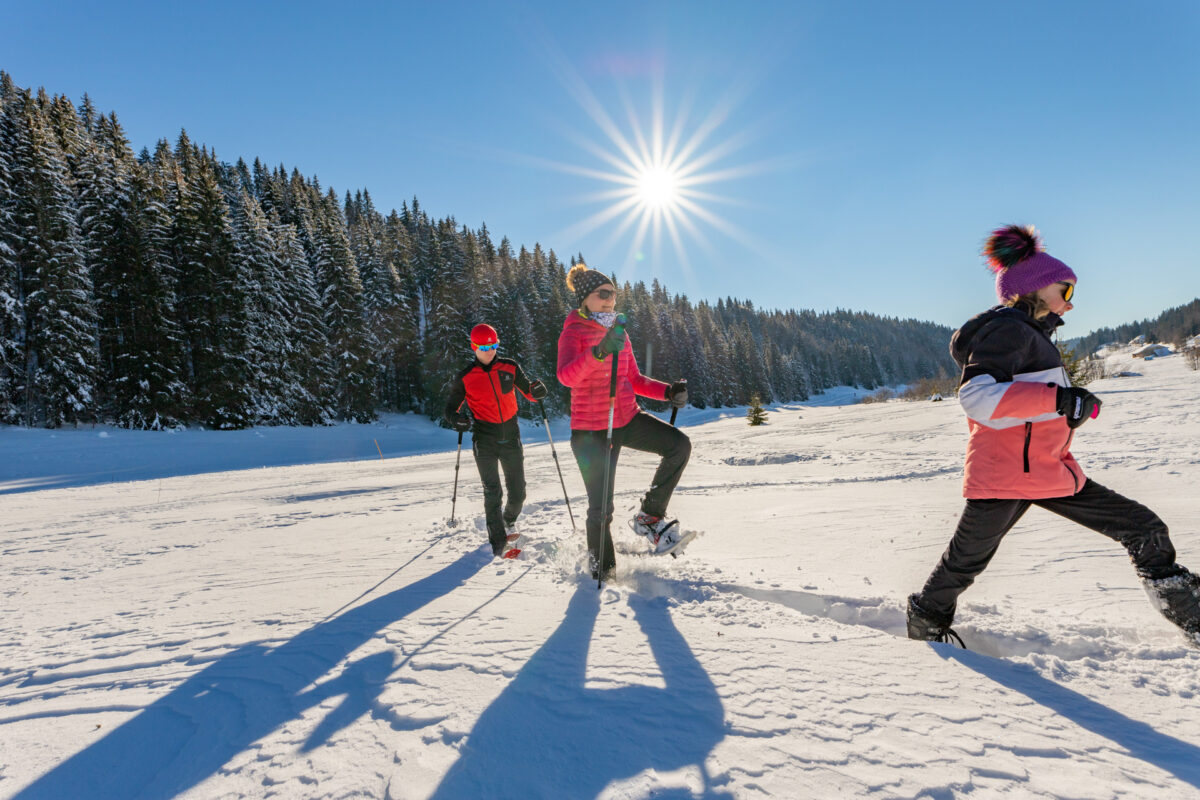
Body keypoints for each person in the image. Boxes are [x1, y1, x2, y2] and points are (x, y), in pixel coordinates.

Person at [906, 225, 1200, 646]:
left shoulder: (1032, 336)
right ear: (1037, 287)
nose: (1070, 304)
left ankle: (1192, 613)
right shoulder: (1007, 330)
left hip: (1044, 470)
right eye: (1066, 292)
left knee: (1143, 528)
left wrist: (1068, 411)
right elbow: (978, 397)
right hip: (1006, 476)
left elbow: (1028, 405)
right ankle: (925, 629)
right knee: (963, 564)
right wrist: (1059, 400)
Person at [556, 263, 690, 581]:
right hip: (590, 432)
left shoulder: (620, 331)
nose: (610, 300)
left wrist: (667, 391)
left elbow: (634, 378)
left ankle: (650, 516)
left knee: (678, 446)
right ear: (586, 298)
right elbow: (566, 377)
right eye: (603, 294)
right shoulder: (572, 331)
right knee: (601, 510)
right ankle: (602, 573)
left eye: (613, 293)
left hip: (626, 418)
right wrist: (598, 352)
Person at [444, 323, 548, 556]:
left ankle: (508, 519)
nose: (490, 350)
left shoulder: (509, 367)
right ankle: (499, 543)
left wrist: (537, 391)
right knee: (493, 492)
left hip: (511, 436)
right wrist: (456, 419)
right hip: (484, 438)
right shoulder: (465, 377)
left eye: (493, 345)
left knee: (518, 493)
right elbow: (450, 409)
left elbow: (529, 392)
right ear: (474, 347)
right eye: (484, 346)